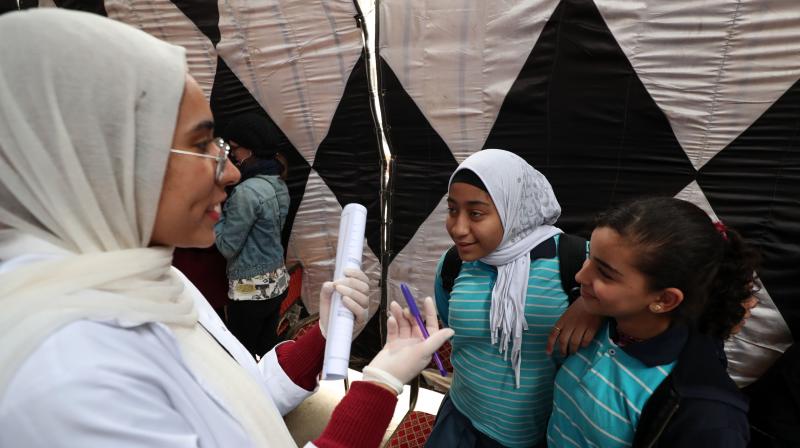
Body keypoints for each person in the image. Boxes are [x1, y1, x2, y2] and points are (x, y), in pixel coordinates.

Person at [0, 9, 453, 447]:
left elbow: (242, 394)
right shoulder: (71, 376)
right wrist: (379, 385)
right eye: (201, 144)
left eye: (221, 145)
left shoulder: (150, 280)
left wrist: (324, 335)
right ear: (102, 158)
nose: (230, 172)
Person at [546, 197, 757, 447]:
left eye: (604, 273)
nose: (581, 275)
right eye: (590, 256)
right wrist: (587, 303)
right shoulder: (605, 319)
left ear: (665, 300)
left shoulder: (706, 415)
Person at [425, 149, 602, 448]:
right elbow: (452, 328)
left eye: (476, 213)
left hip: (543, 434)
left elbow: (632, 299)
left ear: (514, 207)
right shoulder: (453, 265)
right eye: (452, 209)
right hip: (460, 423)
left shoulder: (577, 263)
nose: (458, 228)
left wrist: (591, 303)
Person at [215, 113, 291, 357]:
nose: (232, 155)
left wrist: (215, 211)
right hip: (277, 284)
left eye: (234, 148)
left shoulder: (246, 193)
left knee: (240, 356)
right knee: (265, 351)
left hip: (250, 292)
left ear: (250, 150)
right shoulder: (278, 182)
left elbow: (227, 246)